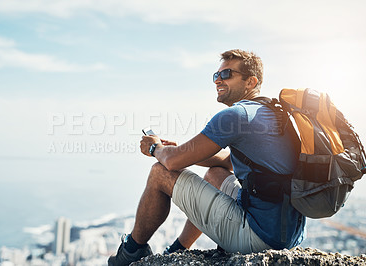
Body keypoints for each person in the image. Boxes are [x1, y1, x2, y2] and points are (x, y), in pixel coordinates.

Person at [108, 49, 306, 266]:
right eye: (216, 75)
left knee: (159, 173)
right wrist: (184, 152)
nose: (218, 80)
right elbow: (228, 162)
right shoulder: (273, 113)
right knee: (214, 175)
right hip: (286, 234)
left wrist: (155, 148)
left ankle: (131, 251)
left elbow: (171, 163)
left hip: (258, 238)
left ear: (251, 82)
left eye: (227, 74)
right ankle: (177, 250)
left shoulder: (235, 116)